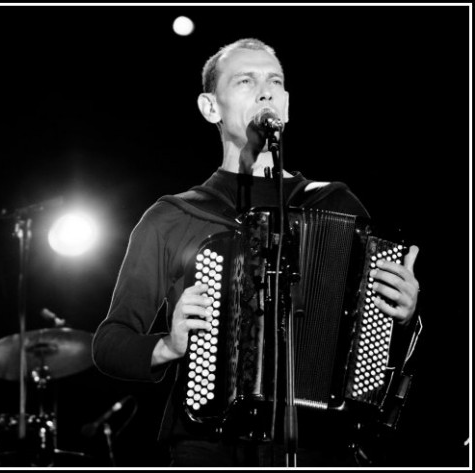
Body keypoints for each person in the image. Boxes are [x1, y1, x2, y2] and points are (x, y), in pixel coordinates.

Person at [91, 38, 421, 467]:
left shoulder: (337, 204)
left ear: (287, 103)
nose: (266, 91)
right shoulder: (174, 216)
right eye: (246, 81)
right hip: (210, 443)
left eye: (275, 81)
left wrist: (405, 311)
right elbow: (110, 342)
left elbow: (382, 343)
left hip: (323, 441)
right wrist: (169, 346)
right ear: (211, 107)